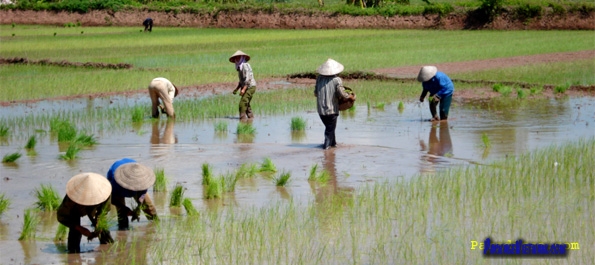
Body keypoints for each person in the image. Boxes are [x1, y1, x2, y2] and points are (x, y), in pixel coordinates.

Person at [57, 172, 114, 253]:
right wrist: (80, 228)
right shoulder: (71, 198)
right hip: (76, 209)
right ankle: (73, 254)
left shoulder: (104, 192)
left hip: (96, 207)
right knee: (75, 232)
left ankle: (108, 247)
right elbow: (61, 217)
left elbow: (103, 212)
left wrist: (99, 224)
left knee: (103, 228)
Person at [314, 58, 356, 149]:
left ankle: (333, 145)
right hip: (331, 110)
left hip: (321, 111)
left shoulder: (319, 79)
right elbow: (342, 94)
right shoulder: (337, 80)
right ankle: (326, 148)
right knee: (329, 129)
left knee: (330, 128)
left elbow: (316, 93)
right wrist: (350, 96)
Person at [107, 158, 158, 230]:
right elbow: (114, 200)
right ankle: (123, 230)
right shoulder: (116, 182)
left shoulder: (142, 179)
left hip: (133, 170)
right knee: (121, 213)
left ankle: (156, 224)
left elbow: (142, 195)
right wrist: (126, 209)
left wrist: (138, 208)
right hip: (119, 181)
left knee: (149, 207)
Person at [229, 50, 257, 120]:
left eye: (238, 57)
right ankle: (251, 118)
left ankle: (242, 120)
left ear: (242, 58)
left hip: (251, 87)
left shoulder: (245, 65)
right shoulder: (239, 68)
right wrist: (236, 89)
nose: (237, 59)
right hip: (246, 87)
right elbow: (241, 81)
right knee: (246, 104)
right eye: (236, 58)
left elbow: (248, 79)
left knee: (242, 103)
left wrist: (244, 89)